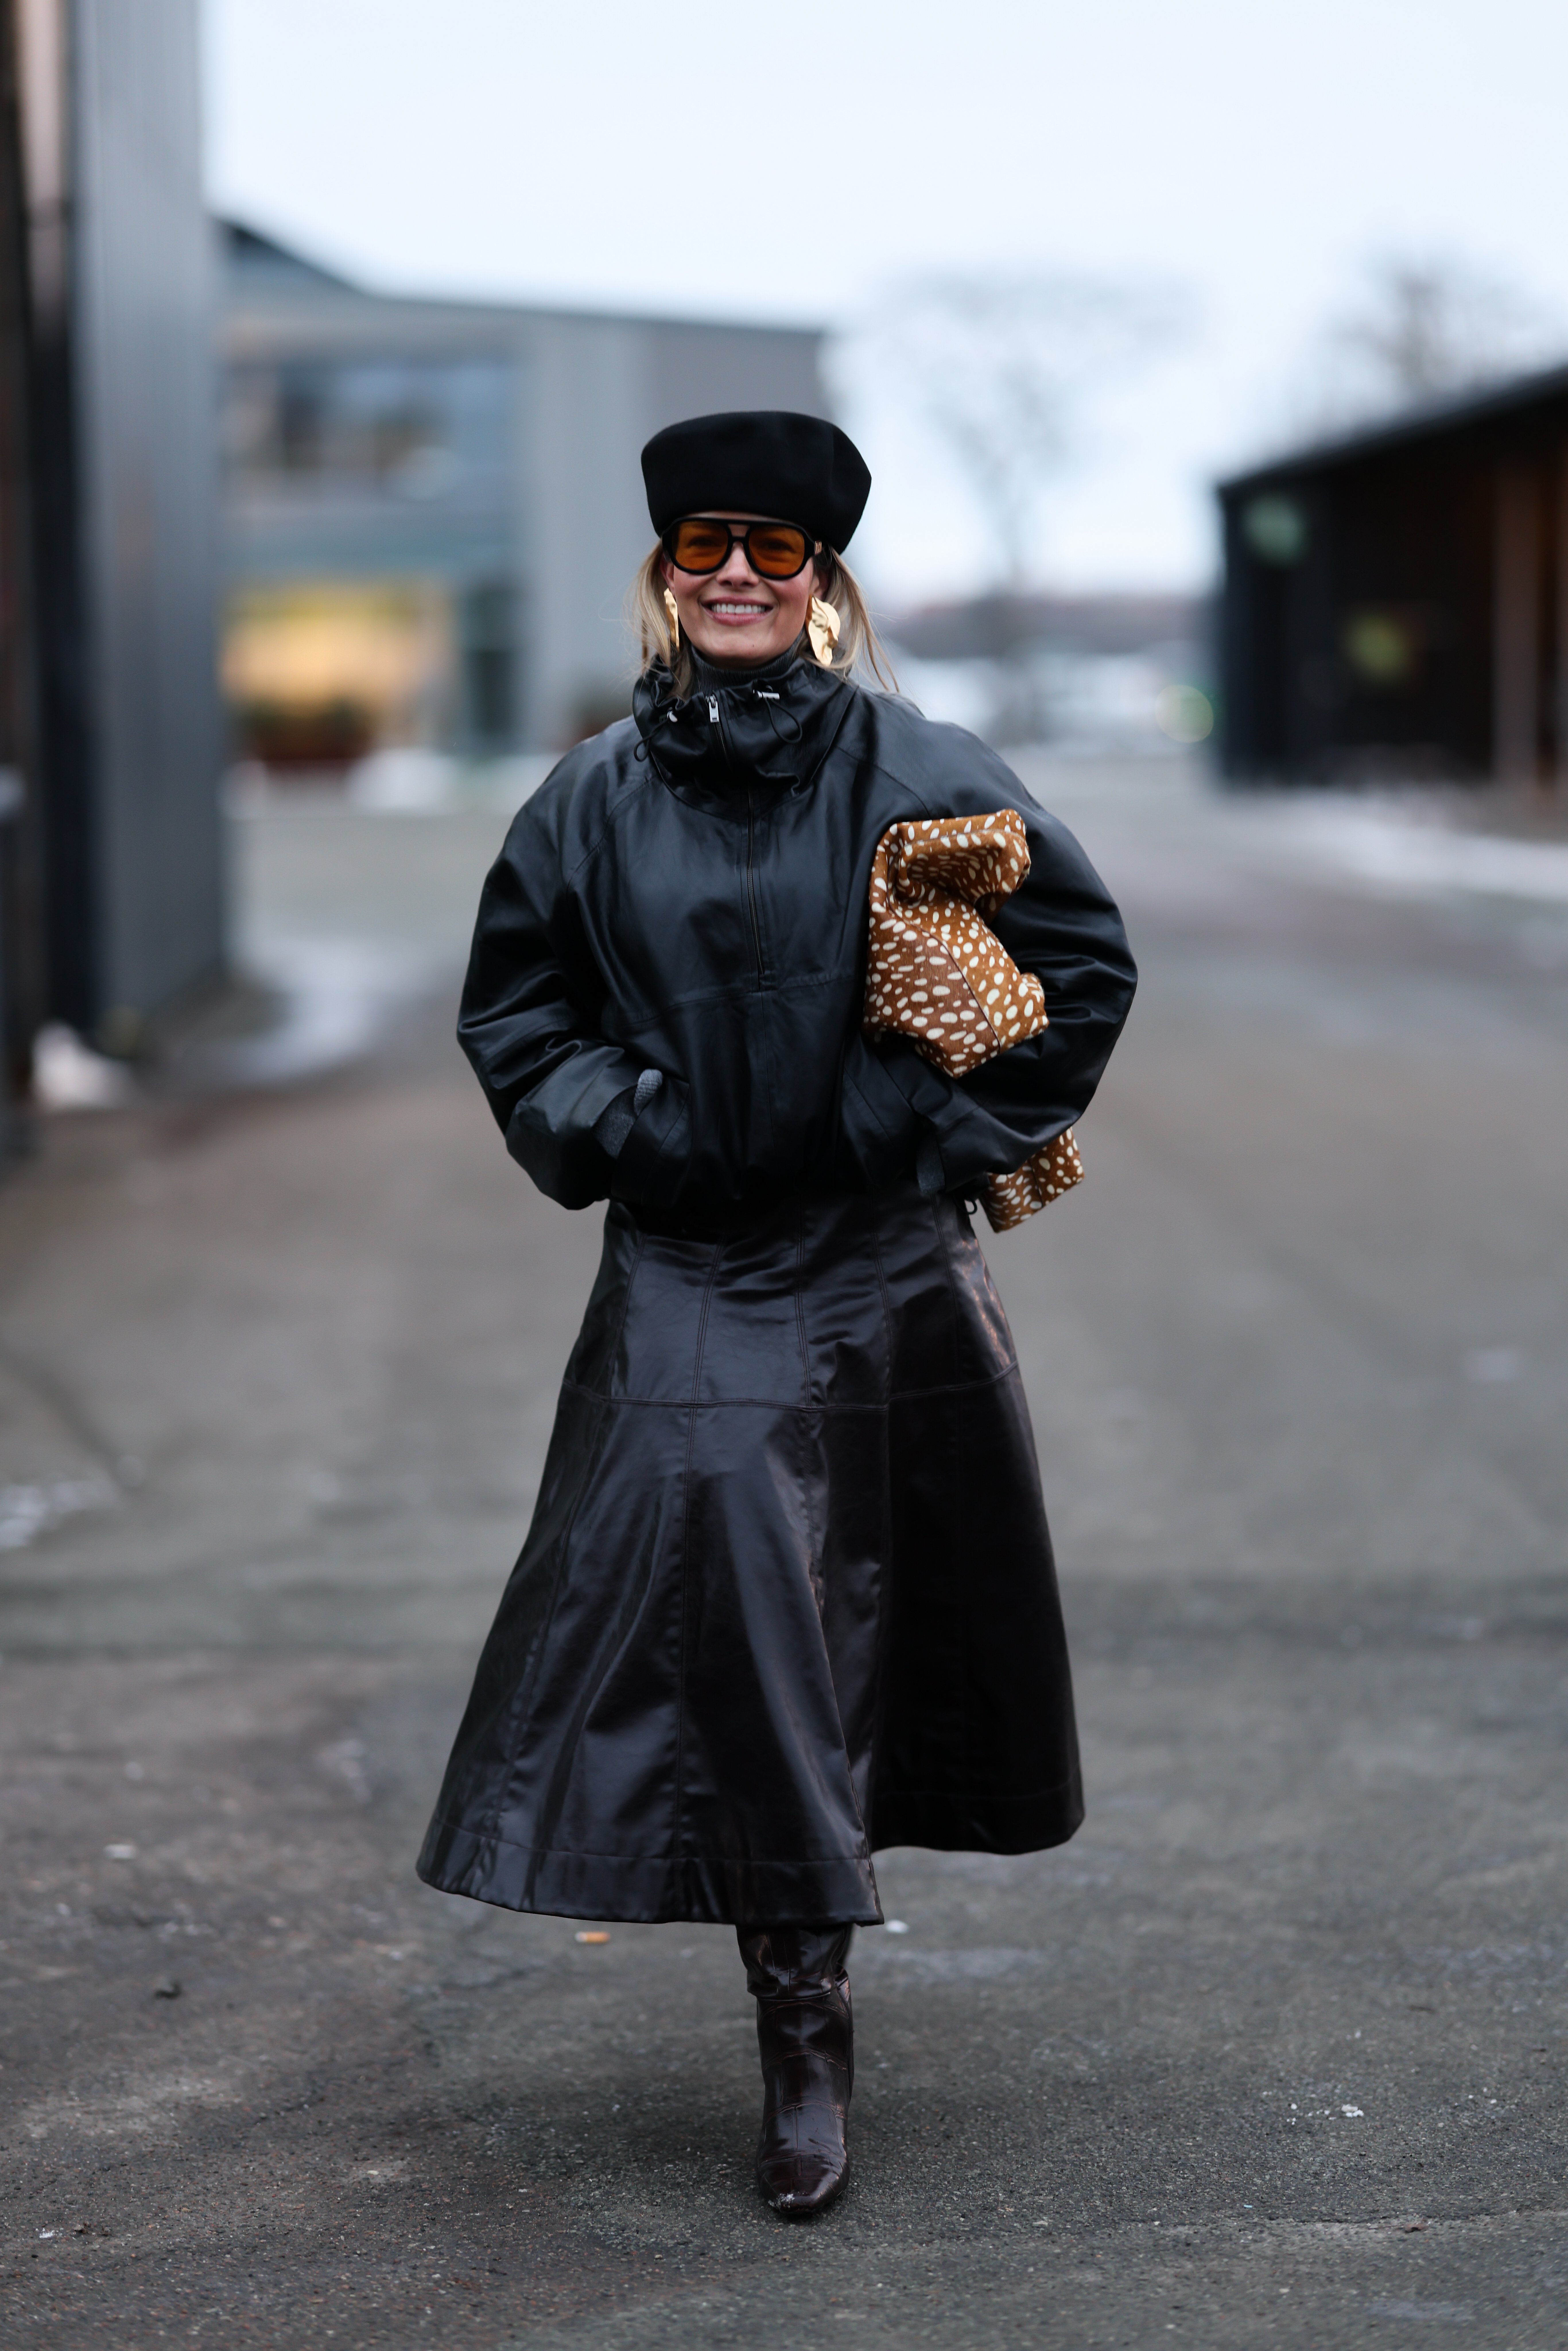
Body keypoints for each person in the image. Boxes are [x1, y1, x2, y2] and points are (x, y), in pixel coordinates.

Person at [417, 410, 1136, 2215]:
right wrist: (641, 1133)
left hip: (885, 1272)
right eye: (703, 544)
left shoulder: (921, 768)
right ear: (664, 571)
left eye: (775, 546)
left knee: (844, 1637)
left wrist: (910, 1128)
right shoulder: (589, 799)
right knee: (743, 1622)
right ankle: (801, 2031)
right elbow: (517, 1018)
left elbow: (1078, 969)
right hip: (689, 1270)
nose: (735, 572)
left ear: (823, 578)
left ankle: (806, 2008)